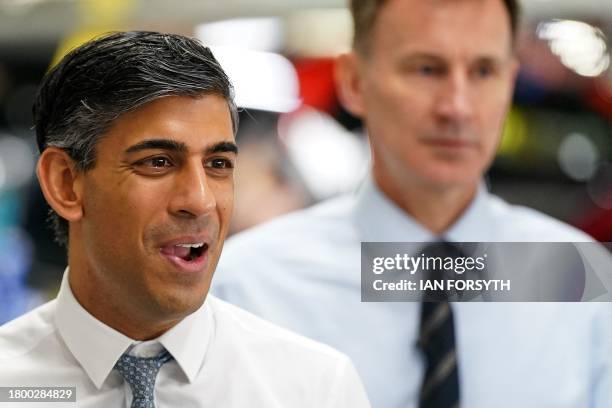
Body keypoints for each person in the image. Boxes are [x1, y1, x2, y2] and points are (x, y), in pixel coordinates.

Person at [213, 1, 612, 407]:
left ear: (510, 81)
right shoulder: (245, 290)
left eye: (483, 71)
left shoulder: (578, 280)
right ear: (353, 82)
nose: (457, 106)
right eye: (426, 69)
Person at [0, 31, 370, 408]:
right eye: (158, 162)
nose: (201, 200)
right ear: (65, 183)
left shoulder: (313, 388)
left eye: (218, 165)